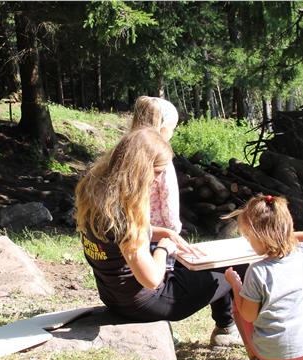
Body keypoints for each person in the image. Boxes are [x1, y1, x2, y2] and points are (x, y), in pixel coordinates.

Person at [75, 127, 243, 346]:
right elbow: (152, 279)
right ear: (140, 169)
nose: (157, 179)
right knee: (229, 270)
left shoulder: (97, 193)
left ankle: (226, 327)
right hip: (144, 303)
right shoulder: (125, 214)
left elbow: (117, 239)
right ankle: (229, 329)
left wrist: (165, 233)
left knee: (200, 263)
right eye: (157, 172)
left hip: (112, 295)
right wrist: (163, 248)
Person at [223, 194, 303, 360]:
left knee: (239, 304)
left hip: (271, 356)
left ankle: (255, 357)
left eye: (248, 236)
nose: (247, 241)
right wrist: (284, 235)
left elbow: (248, 315)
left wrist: (235, 283)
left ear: (262, 235)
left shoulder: (257, 270)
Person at [130, 96, 182, 234]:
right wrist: (173, 231)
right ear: (163, 128)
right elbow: (169, 201)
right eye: (173, 128)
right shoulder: (162, 161)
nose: (172, 132)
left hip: (127, 231)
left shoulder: (125, 154)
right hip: (156, 235)